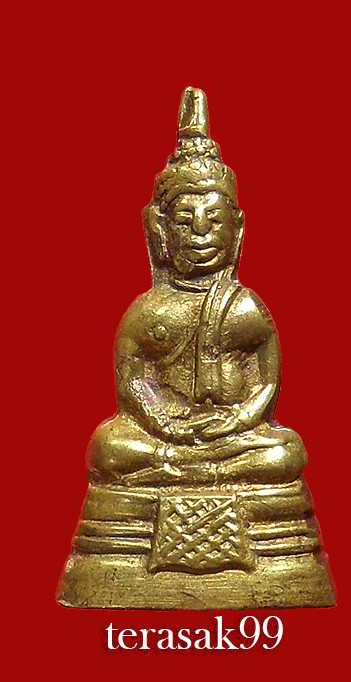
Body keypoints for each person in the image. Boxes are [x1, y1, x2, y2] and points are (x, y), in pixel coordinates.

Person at [87, 88, 307, 487]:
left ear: (237, 229)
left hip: (233, 437)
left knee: (285, 450)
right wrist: (166, 425)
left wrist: (238, 420)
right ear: (160, 231)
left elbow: (267, 382)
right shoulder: (149, 310)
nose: (201, 232)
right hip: (167, 436)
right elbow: (133, 380)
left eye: (214, 219)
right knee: (108, 445)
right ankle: (188, 465)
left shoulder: (246, 308)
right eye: (185, 221)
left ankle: (204, 470)